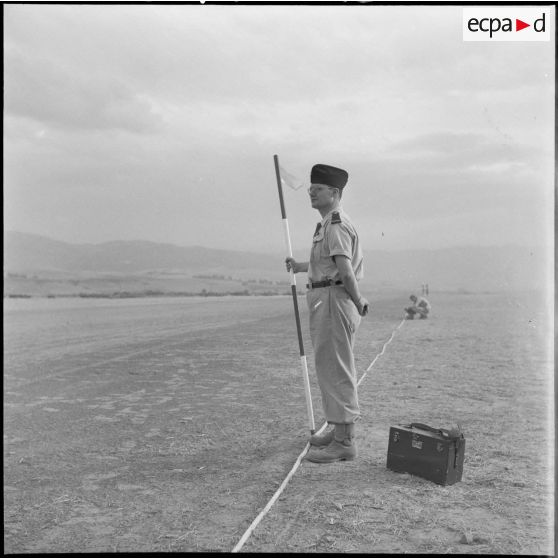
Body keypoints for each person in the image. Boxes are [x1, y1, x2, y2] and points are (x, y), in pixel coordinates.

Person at [285, 163, 369, 464]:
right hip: (327, 297)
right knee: (330, 367)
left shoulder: (335, 224)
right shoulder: (325, 224)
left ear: (334, 193)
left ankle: (345, 442)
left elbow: (345, 271)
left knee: (336, 369)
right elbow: (330, 264)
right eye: (310, 188)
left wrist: (358, 301)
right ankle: (337, 430)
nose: (310, 192)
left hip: (335, 300)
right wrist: (300, 268)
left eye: (317, 189)